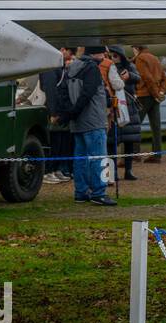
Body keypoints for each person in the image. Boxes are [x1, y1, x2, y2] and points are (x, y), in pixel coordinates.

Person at [60, 45, 116, 205]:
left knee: (80, 159)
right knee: (98, 157)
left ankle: (81, 191)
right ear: (97, 54)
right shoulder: (92, 68)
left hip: (77, 123)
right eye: (103, 53)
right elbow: (88, 93)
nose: (105, 56)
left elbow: (63, 91)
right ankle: (99, 193)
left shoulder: (71, 67)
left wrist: (70, 113)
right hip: (93, 120)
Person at [38, 47, 75, 184]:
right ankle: (48, 171)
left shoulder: (59, 67)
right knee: (53, 142)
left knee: (61, 142)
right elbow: (50, 90)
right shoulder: (49, 68)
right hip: (55, 111)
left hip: (62, 110)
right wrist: (53, 112)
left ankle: (56, 169)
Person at [108, 47, 142, 181]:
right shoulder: (107, 66)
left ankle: (129, 170)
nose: (113, 57)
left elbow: (138, 78)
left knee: (129, 141)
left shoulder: (129, 66)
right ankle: (113, 172)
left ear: (121, 56)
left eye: (115, 55)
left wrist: (129, 76)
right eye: (111, 55)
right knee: (111, 142)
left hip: (129, 107)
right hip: (113, 105)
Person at [132, 45, 166, 162]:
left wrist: (156, 94)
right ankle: (157, 155)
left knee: (135, 125)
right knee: (156, 127)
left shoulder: (140, 59)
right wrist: (160, 92)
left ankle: (135, 154)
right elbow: (164, 78)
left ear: (137, 48)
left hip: (144, 95)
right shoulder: (155, 58)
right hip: (154, 97)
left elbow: (147, 78)